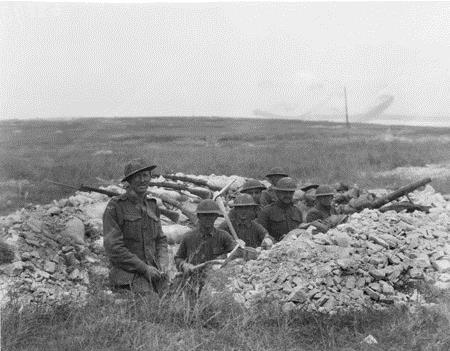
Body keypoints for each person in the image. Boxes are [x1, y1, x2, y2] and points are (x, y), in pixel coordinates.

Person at [103, 158, 168, 295]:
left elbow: (161, 239)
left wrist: (163, 263)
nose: (142, 180)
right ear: (129, 180)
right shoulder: (116, 206)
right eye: (138, 176)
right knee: (152, 306)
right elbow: (113, 248)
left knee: (180, 299)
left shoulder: (152, 205)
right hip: (129, 275)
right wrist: (144, 268)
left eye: (145, 175)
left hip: (154, 272)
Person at [174, 199, 235, 299]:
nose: (208, 218)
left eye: (211, 215)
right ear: (199, 217)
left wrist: (222, 259)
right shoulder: (188, 237)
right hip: (193, 282)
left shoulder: (223, 236)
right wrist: (184, 265)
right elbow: (178, 258)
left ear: (216, 217)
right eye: (204, 215)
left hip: (216, 282)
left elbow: (235, 253)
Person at [257, 177, 303, 242]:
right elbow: (261, 234)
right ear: (277, 193)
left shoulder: (297, 211)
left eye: (290, 193)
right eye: (284, 192)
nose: (288, 195)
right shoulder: (267, 211)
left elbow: (301, 231)